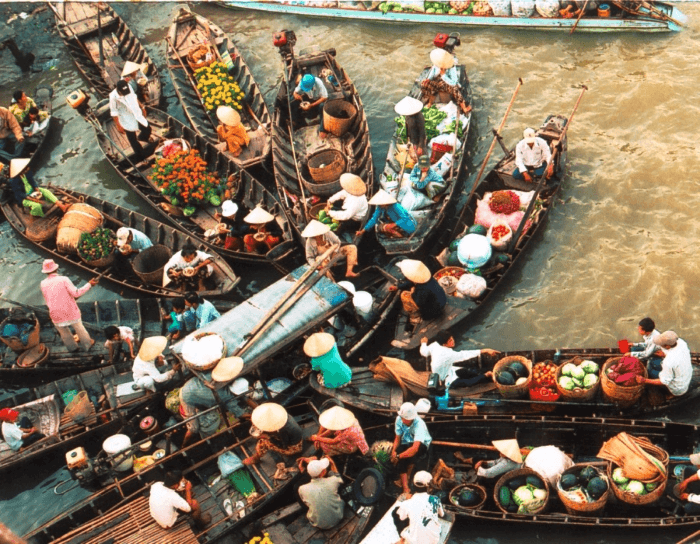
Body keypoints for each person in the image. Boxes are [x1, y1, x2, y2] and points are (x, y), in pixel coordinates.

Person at [179, 356, 252, 447]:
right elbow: (240, 414)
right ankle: (183, 445)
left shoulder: (220, 372)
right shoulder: (225, 395)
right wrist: (253, 416)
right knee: (194, 428)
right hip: (187, 396)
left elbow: (245, 398)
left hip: (192, 386)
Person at [40, 259, 98, 352]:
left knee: (64, 334)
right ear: (56, 268)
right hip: (70, 311)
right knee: (80, 329)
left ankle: (72, 348)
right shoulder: (64, 279)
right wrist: (89, 284)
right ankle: (87, 345)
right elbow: (76, 293)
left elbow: (47, 299)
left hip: (55, 314)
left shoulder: (42, 283)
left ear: (45, 272)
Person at [420, 331, 500, 388]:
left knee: (468, 371)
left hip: (448, 370)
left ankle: (484, 374)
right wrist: (484, 350)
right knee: (468, 382)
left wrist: (423, 343)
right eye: (450, 341)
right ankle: (485, 375)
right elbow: (463, 355)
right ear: (444, 344)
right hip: (444, 379)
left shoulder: (435, 345)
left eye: (452, 338)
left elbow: (424, 352)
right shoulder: (448, 354)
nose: (453, 341)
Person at [391, 402, 432, 497]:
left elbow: (414, 449)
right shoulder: (399, 419)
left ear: (410, 419)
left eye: (404, 418)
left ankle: (405, 487)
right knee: (401, 453)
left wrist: (398, 456)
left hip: (422, 443)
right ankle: (405, 485)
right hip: (408, 440)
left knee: (405, 457)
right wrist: (394, 451)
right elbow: (397, 438)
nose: (401, 419)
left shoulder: (420, 425)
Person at [393, 471, 445, 544]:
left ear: (414, 485)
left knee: (396, 512)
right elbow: (442, 515)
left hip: (414, 542)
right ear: (428, 486)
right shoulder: (435, 499)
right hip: (434, 540)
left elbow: (401, 518)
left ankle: (402, 540)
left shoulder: (408, 503)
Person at [636, 331, 692, 397]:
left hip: (678, 388)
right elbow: (678, 355)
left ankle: (671, 394)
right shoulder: (681, 342)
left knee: (650, 370)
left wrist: (644, 380)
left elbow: (663, 381)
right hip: (685, 375)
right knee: (653, 362)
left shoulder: (668, 362)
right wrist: (665, 354)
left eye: (661, 345)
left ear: (667, 346)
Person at [390, 260, 446, 325]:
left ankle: (416, 316)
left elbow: (419, 302)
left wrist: (413, 293)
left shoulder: (422, 289)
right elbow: (411, 282)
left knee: (404, 295)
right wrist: (398, 287)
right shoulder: (427, 277)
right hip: (441, 298)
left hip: (436, 309)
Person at [109, 79, 151, 162]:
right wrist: (118, 126)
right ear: (118, 90)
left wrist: (142, 107)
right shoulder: (113, 97)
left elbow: (135, 97)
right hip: (126, 118)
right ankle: (142, 158)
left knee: (147, 129)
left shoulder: (129, 87)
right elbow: (114, 112)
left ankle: (142, 137)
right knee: (133, 140)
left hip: (136, 113)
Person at [297, 457, 345, 530]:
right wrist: (332, 463)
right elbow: (338, 477)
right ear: (323, 472)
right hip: (339, 516)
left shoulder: (302, 488)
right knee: (336, 485)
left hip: (319, 523)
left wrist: (303, 471)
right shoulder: (333, 481)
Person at [420, 48, 471, 115]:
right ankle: (430, 102)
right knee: (424, 84)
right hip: (437, 83)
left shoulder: (451, 67)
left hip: (448, 85)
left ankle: (464, 107)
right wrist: (427, 80)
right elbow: (431, 75)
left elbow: (453, 82)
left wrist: (444, 75)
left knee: (455, 89)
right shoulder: (436, 65)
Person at [395, 96, 426, 161]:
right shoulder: (408, 116)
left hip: (418, 139)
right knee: (414, 154)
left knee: (421, 156)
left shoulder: (419, 117)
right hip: (412, 138)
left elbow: (422, 133)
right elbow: (407, 127)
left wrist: (420, 146)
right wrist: (408, 139)